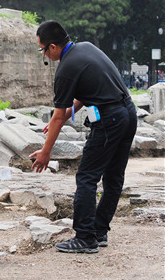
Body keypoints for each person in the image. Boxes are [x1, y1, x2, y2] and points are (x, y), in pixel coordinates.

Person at [30, 20, 137, 254]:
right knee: (114, 177)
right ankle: (99, 231)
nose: (44, 55)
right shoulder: (86, 48)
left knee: (87, 177)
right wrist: (70, 111)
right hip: (128, 112)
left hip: (110, 119)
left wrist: (45, 153)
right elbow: (90, 88)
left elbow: (58, 118)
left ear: (53, 47)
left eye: (43, 50)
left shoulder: (66, 69)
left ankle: (85, 238)